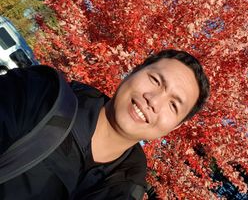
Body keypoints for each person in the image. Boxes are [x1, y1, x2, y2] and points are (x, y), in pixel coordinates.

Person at [0, 49, 210, 199]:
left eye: (173, 105)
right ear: (133, 71)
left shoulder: (127, 189)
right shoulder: (39, 95)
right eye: (155, 80)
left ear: (174, 127)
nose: (153, 101)